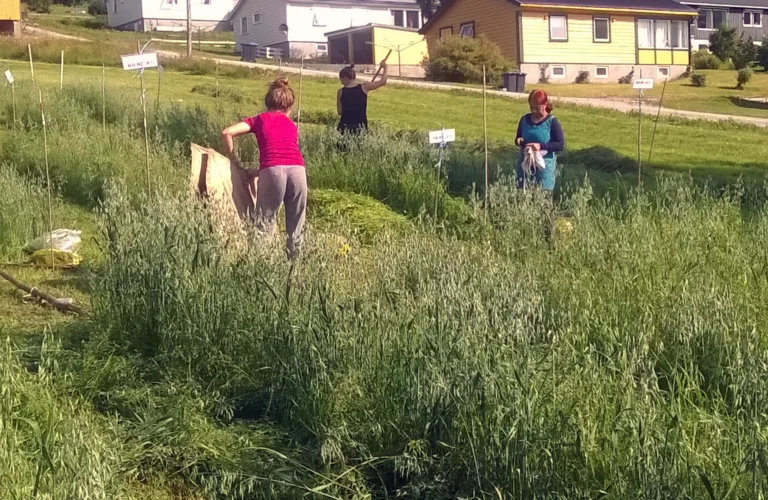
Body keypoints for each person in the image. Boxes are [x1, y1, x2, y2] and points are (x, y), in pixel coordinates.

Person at [221, 77, 307, 257]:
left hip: (273, 171)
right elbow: (285, 160)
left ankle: (261, 267)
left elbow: (227, 133)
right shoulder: (292, 125)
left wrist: (235, 161)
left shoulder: (259, 119)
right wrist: (258, 172)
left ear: (268, 103)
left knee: (264, 223)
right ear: (289, 107)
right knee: (296, 225)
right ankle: (295, 269)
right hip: (298, 171)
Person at [514, 89, 565, 191]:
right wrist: (519, 141)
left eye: (537, 108)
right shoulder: (524, 120)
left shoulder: (552, 122)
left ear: (545, 105)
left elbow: (560, 145)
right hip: (525, 166)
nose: (533, 111)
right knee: (522, 195)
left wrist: (541, 146)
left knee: (542, 199)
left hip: (544, 169)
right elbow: (518, 138)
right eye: (531, 108)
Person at [336, 60, 389, 134]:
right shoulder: (364, 87)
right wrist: (385, 67)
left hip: (345, 126)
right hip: (361, 126)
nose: (341, 82)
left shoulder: (340, 92)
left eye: (341, 80)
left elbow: (340, 111)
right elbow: (383, 81)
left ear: (345, 78)